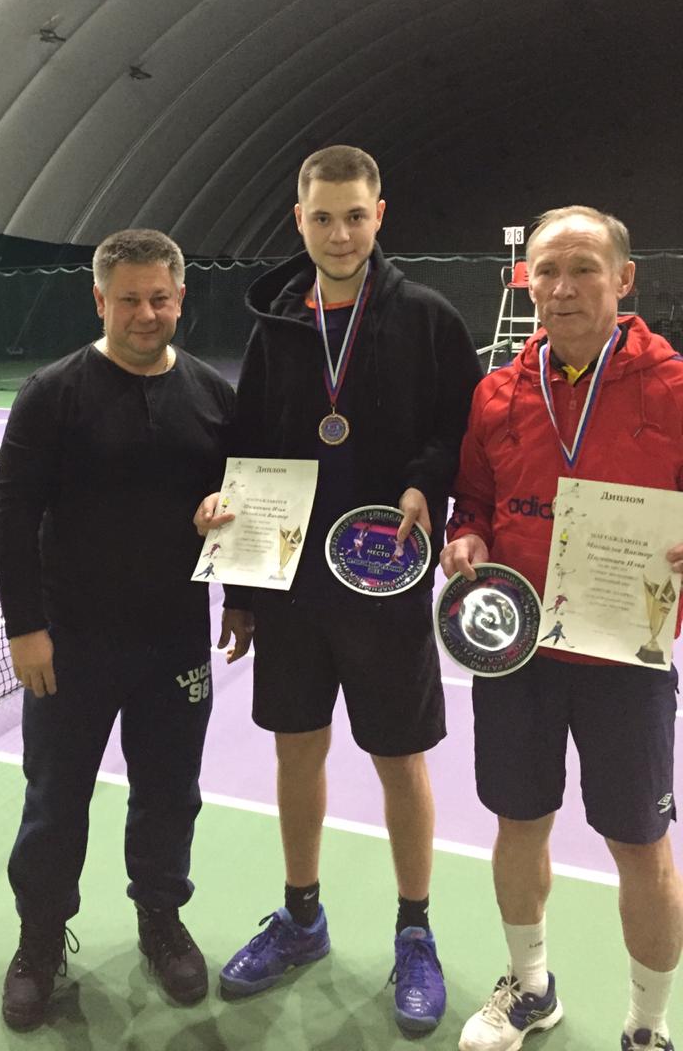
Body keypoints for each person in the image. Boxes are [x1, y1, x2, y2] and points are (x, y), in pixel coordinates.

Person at [195, 145, 481, 1032]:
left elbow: (460, 430)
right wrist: (241, 591)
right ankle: (302, 917)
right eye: (323, 217)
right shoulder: (277, 326)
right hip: (289, 586)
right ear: (300, 220)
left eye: (355, 216)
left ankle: (415, 931)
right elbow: (249, 449)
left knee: (400, 759)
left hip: (385, 579)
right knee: (297, 750)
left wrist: (425, 485)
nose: (341, 233)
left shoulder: (428, 318)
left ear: (379, 215)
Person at [441, 205, 683, 1051]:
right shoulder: (497, 392)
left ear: (624, 279)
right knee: (518, 826)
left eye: (583, 268)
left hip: (626, 656)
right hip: (518, 656)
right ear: (527, 282)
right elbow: (472, 503)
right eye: (547, 270)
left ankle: (647, 1026)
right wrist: (465, 539)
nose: (563, 287)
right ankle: (531, 988)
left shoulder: (674, 386)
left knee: (641, 846)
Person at [0, 229, 234, 1031]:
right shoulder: (51, 393)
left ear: (180, 298)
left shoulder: (211, 395)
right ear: (100, 300)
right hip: (70, 645)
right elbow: (11, 516)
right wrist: (26, 628)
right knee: (55, 800)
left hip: (175, 641)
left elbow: (240, 504)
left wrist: (238, 581)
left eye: (159, 298)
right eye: (128, 299)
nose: (145, 314)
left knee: (169, 794)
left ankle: (160, 920)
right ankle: (38, 940)